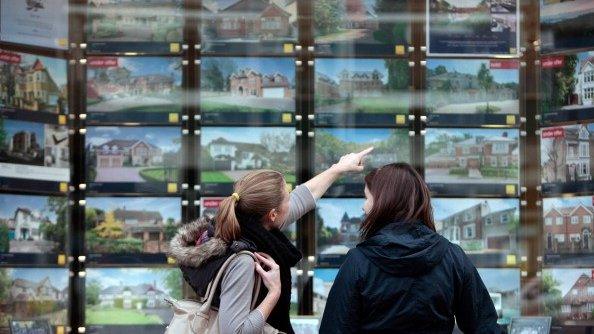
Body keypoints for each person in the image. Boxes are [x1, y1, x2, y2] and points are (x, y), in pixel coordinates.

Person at [168, 148, 373, 334]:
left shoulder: (240, 225)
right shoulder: (243, 260)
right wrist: (274, 292)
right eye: (287, 196)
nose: (292, 198)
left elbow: (303, 198)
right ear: (273, 214)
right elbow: (235, 332)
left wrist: (338, 169)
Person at [319, 163, 501, 334]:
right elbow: (485, 327)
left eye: (367, 198)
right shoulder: (453, 257)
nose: (364, 207)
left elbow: (334, 329)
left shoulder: (358, 261)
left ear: (385, 201)